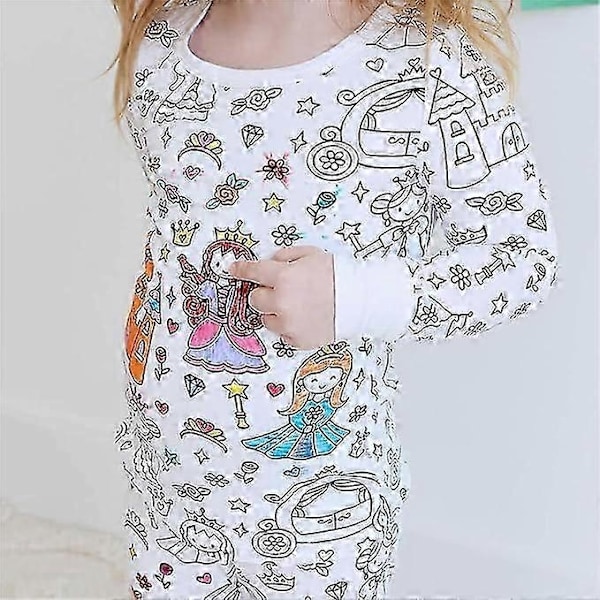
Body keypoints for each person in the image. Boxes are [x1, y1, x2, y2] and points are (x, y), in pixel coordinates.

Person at [109, 0, 560, 598]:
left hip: (327, 506)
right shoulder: (162, 43)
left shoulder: (431, 61)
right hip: (167, 481)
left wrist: (355, 297)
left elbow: (522, 259)